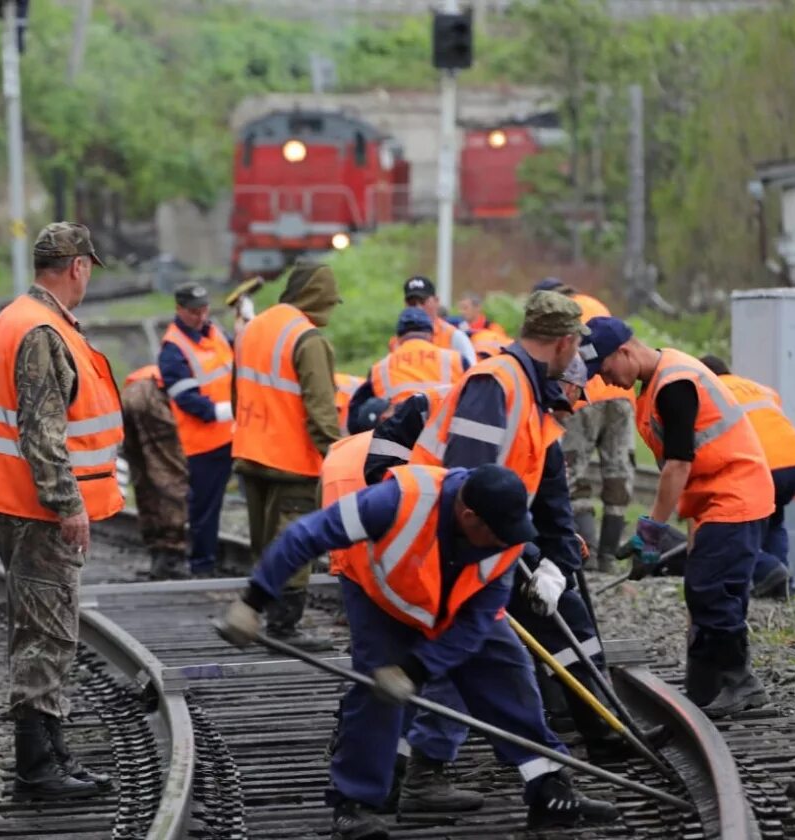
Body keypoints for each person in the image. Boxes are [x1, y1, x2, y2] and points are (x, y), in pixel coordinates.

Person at [219, 464, 619, 838]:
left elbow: (475, 624)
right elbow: (303, 536)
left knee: (506, 666)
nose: (505, 544)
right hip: (380, 594)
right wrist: (254, 601)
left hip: (456, 603)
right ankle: (353, 803)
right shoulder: (396, 501)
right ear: (468, 516)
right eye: (497, 536)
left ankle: (547, 784)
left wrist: (417, 668)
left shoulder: (506, 535)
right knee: (375, 688)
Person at [406, 292, 629, 808]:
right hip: (453, 546)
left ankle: (546, 786)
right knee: (466, 663)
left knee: (496, 666)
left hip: (483, 549)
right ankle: (415, 779)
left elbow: (544, 490)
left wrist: (552, 560)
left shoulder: (531, 395)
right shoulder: (497, 385)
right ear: (567, 341)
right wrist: (515, 557)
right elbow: (468, 486)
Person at [0, 222, 117, 802]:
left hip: (14, 500)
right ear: (77, 266)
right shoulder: (42, 330)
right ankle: (38, 767)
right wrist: (68, 503)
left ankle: (49, 753)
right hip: (37, 509)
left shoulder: (16, 316)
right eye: (88, 268)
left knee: (39, 629)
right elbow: (42, 432)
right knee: (47, 635)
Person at [587, 317, 774, 717]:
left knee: (710, 590)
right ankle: (708, 687)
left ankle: (742, 685)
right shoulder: (659, 383)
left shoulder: (675, 385)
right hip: (716, 499)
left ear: (625, 351)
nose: (607, 381)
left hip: (735, 494)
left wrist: (651, 531)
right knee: (712, 590)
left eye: (606, 370)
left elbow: (678, 465)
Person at [232, 261, 342, 650]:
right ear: (318, 296)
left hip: (250, 452)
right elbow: (321, 409)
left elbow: (237, 391)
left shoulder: (254, 328)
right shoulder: (307, 338)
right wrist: (339, 455)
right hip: (292, 460)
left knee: (264, 540)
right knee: (293, 539)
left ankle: (261, 613)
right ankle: (284, 627)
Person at [537, 280, 636, 571]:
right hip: (620, 394)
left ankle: (587, 554)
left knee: (574, 473)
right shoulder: (596, 304)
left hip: (584, 398)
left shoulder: (559, 314)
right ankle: (608, 557)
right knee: (618, 473)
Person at [700, 355, 795, 600]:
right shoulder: (758, 388)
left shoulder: (713, 390)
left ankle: (767, 569)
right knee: (775, 519)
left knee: (735, 529)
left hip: (760, 465)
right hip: (794, 461)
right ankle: (780, 584)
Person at [158, 282, 235, 578]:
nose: (200, 317)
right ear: (179, 310)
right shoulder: (173, 347)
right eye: (193, 312)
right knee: (204, 506)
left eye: (204, 310)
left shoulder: (214, 333)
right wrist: (220, 411)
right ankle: (202, 565)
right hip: (204, 441)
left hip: (234, 432)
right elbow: (184, 396)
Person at [347, 307, 464, 433]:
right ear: (431, 335)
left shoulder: (381, 367)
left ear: (398, 338)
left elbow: (355, 419)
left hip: (401, 438)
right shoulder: (455, 359)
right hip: (444, 435)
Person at [121, 365, 189, 578]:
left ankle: (156, 551)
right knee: (169, 476)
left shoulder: (209, 352)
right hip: (154, 396)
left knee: (144, 478)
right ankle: (170, 555)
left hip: (130, 393)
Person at [394, 276, 475, 366]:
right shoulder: (396, 341)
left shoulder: (454, 337)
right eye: (412, 303)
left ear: (436, 301)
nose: (418, 307)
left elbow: (472, 373)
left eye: (422, 302)